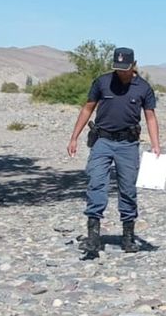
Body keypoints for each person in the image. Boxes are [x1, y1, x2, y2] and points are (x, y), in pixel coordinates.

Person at [66, 47, 160, 259]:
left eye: (124, 68)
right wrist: (74, 137)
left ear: (133, 65)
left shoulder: (143, 88)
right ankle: (93, 237)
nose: (121, 72)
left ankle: (128, 237)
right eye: (117, 68)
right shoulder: (102, 82)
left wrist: (156, 145)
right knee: (96, 182)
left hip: (128, 145)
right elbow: (87, 108)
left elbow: (150, 117)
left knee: (127, 189)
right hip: (102, 141)